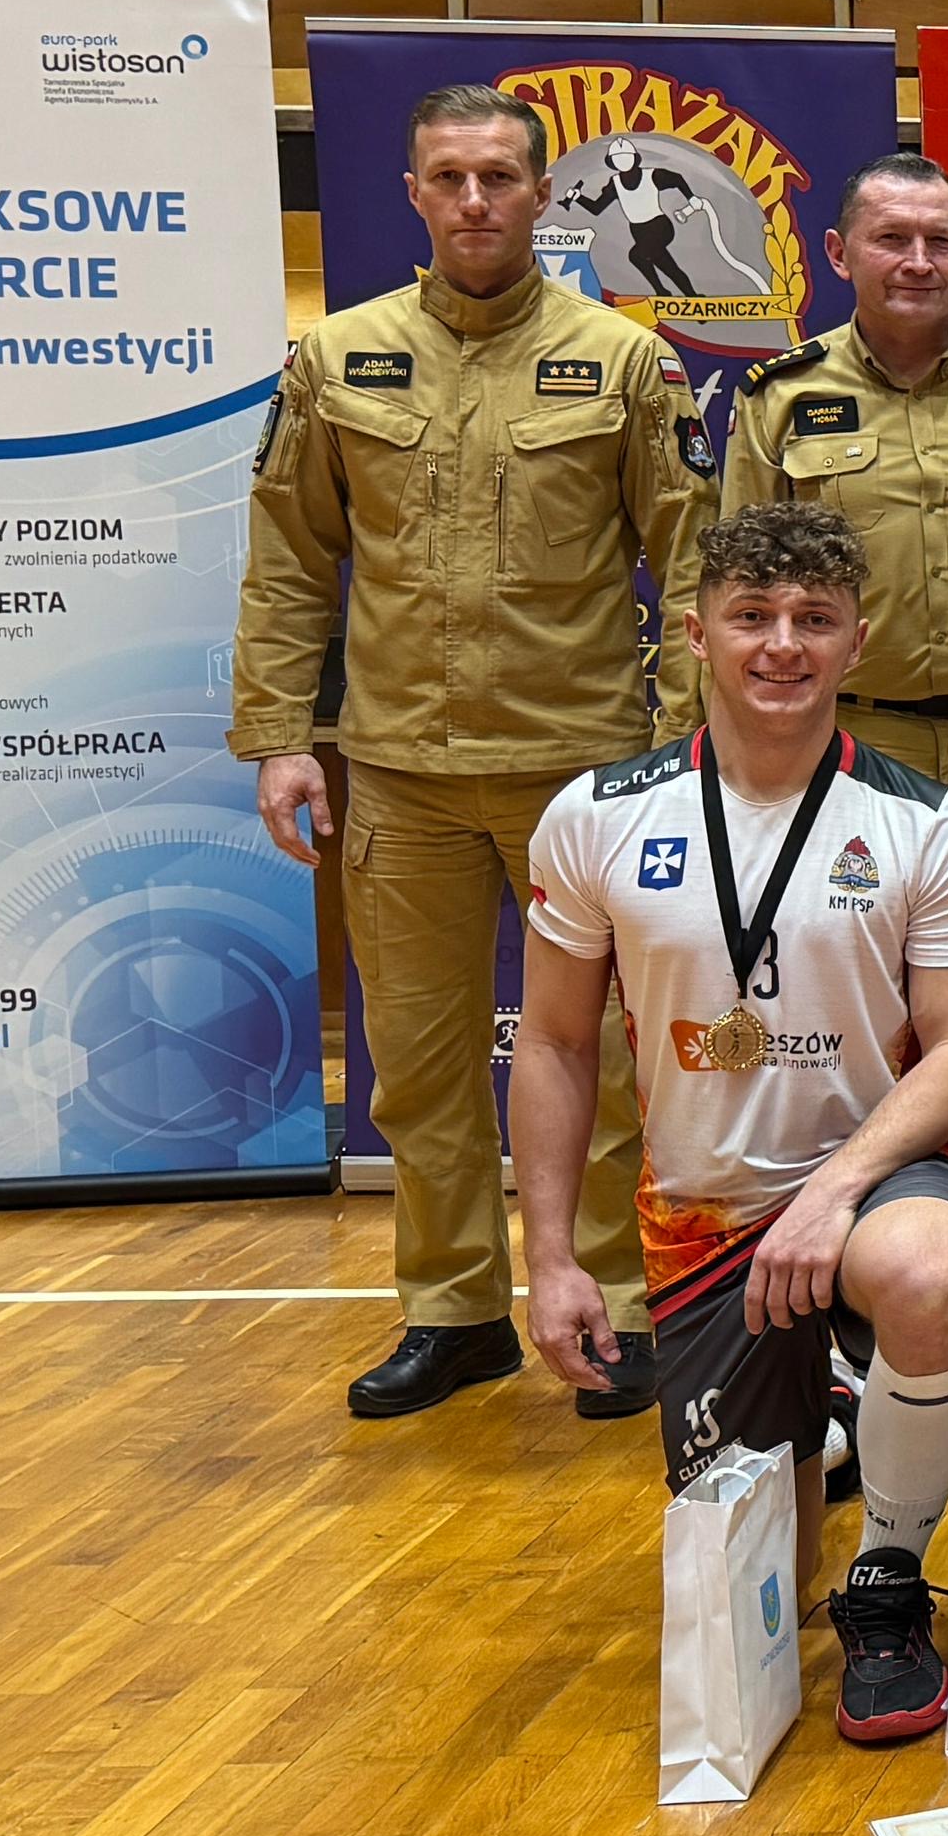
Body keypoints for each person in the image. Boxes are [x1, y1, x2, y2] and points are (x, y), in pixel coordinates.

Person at [237, 83, 696, 1426]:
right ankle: (452, 1311)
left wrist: (682, 751)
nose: (477, 199)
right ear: (414, 193)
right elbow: (289, 560)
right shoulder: (340, 359)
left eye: (501, 176)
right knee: (420, 1063)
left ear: (544, 195)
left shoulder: (622, 362)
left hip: (585, 773)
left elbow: (690, 560)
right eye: (450, 176)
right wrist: (280, 736)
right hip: (401, 773)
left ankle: (615, 1306)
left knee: (610, 1060)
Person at [508, 502, 948, 1749]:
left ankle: (888, 1579)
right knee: (748, 1624)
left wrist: (832, 1193)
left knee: (928, 1268)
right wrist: (550, 1259)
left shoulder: (925, 820)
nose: (783, 645)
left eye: (814, 620)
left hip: (875, 1185)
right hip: (705, 1221)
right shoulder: (596, 817)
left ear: (857, 643)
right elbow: (555, 1044)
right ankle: (824, 1412)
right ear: (695, 635)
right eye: (753, 617)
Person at [697, 156, 948, 1402]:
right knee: (838, 1013)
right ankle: (847, 1268)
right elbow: (735, 587)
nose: (917, 262)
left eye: (939, 241)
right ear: (840, 253)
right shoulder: (780, 401)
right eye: (892, 239)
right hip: (837, 750)